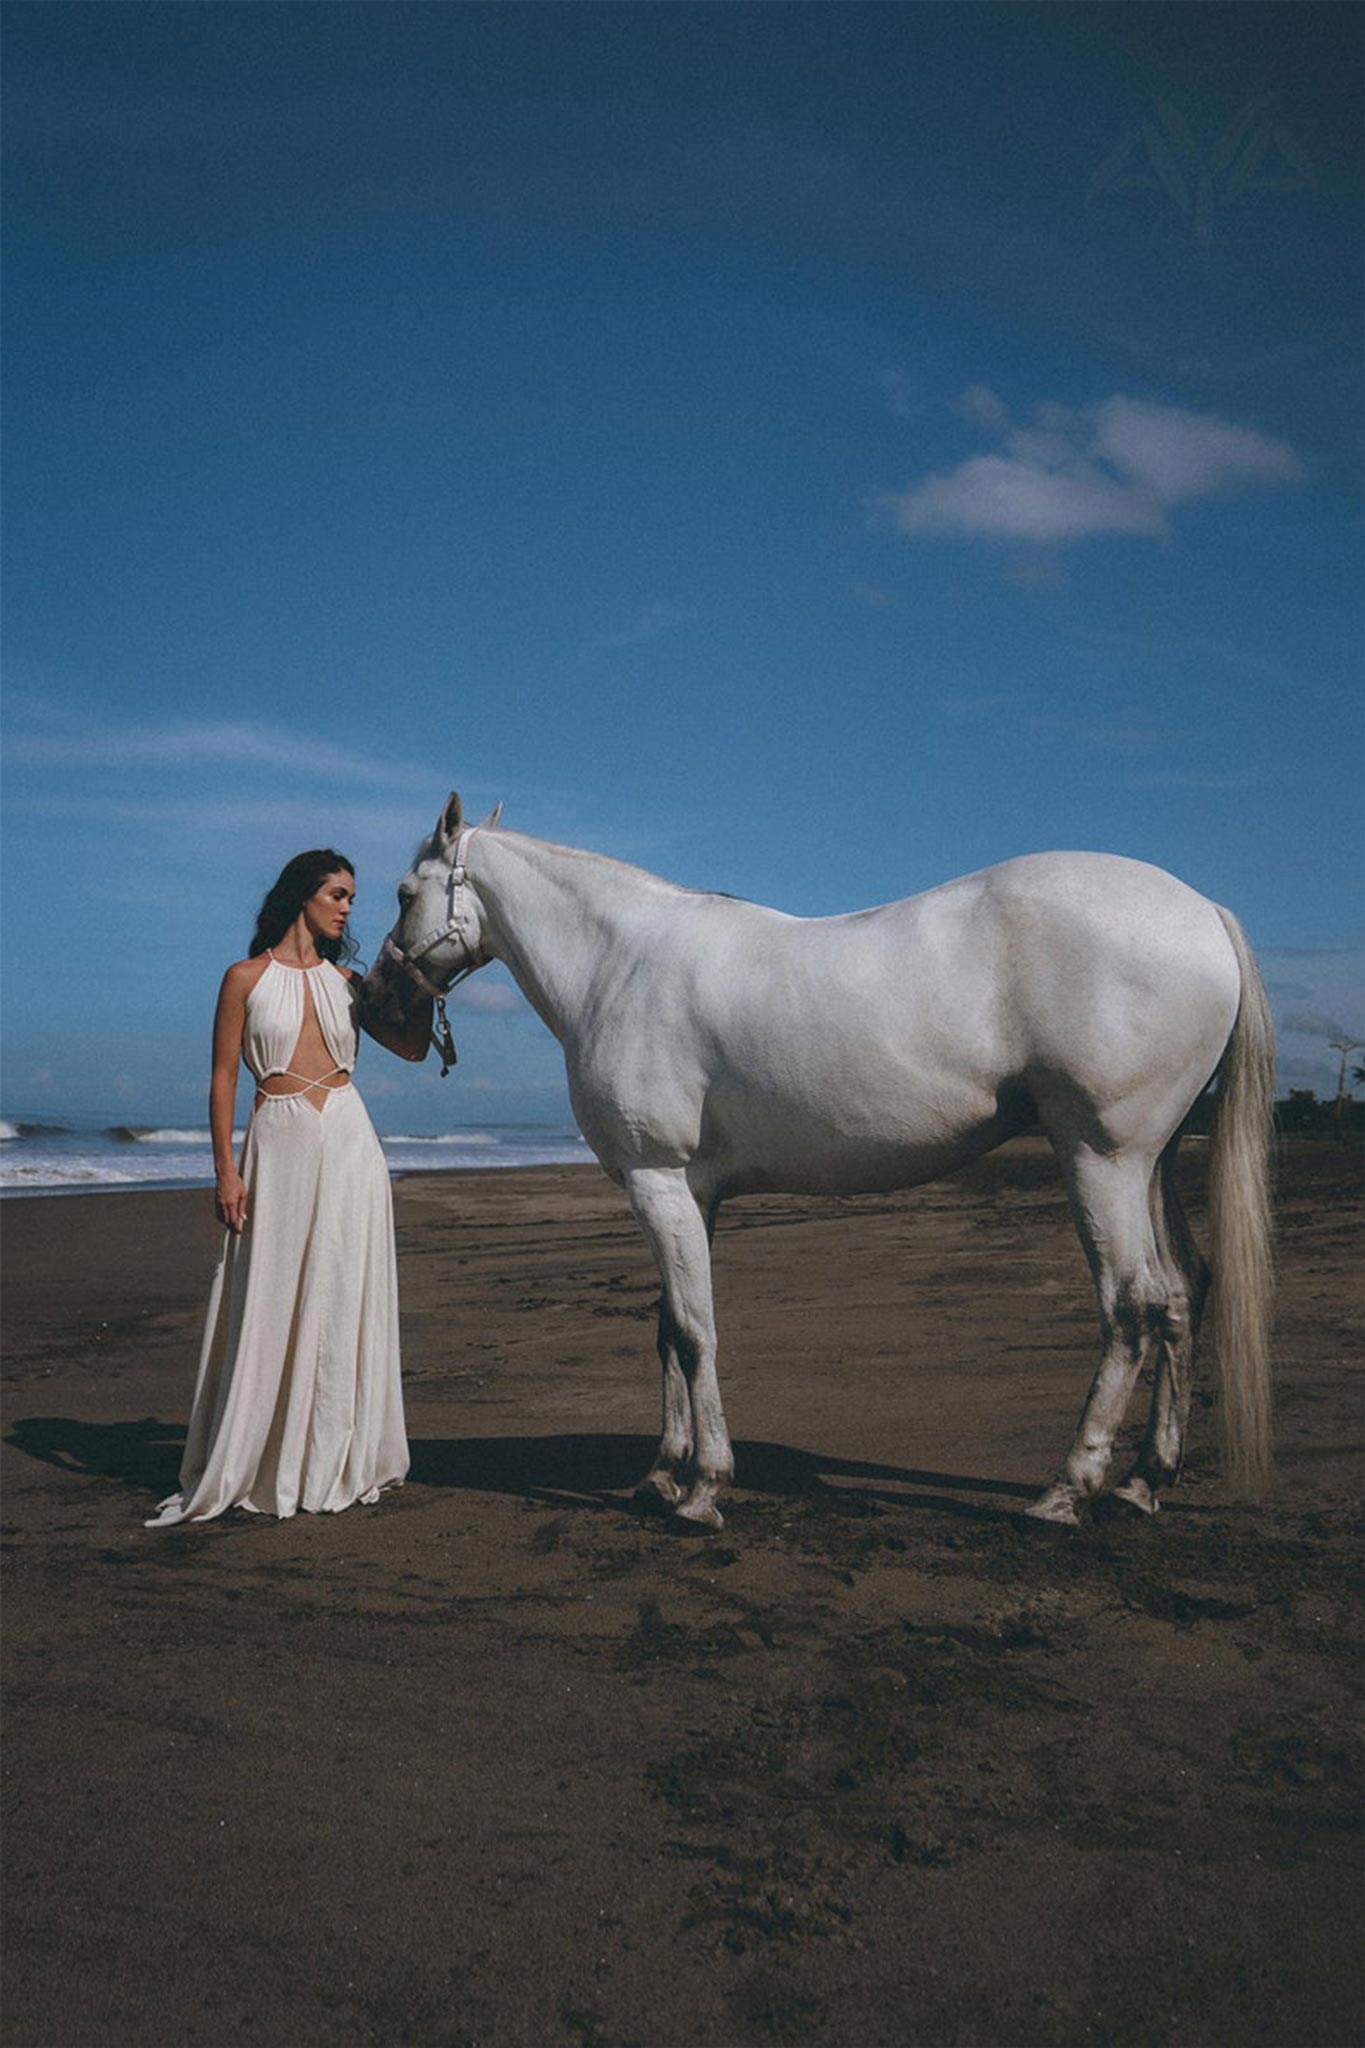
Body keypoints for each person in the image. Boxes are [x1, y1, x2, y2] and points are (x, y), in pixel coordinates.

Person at [146, 850, 432, 1528]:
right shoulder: (243, 978)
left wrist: (423, 993)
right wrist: (225, 1169)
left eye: (352, 898)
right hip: (278, 1140)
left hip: (348, 1141)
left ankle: (337, 1452)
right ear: (302, 896)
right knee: (271, 1290)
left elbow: (414, 1049)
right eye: (337, 893)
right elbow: (222, 1079)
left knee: (340, 1289)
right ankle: (265, 1454)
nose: (346, 907)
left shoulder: (351, 982)